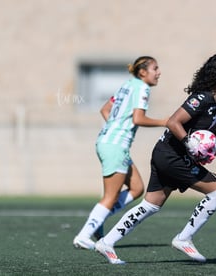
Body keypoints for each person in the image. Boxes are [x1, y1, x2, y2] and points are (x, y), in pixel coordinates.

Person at [94, 53, 216, 264]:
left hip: (166, 153)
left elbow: (210, 122)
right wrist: (191, 143)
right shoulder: (202, 97)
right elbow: (173, 122)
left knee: (151, 205)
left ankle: (106, 242)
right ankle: (184, 238)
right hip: (172, 156)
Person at [73, 56, 168, 250]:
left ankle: (98, 222)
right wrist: (164, 122)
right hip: (115, 145)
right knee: (111, 196)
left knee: (137, 188)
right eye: (155, 68)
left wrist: (114, 128)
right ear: (143, 72)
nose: (159, 72)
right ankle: (84, 236)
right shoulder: (142, 87)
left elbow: (104, 109)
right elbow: (139, 118)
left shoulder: (127, 85)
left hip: (109, 142)